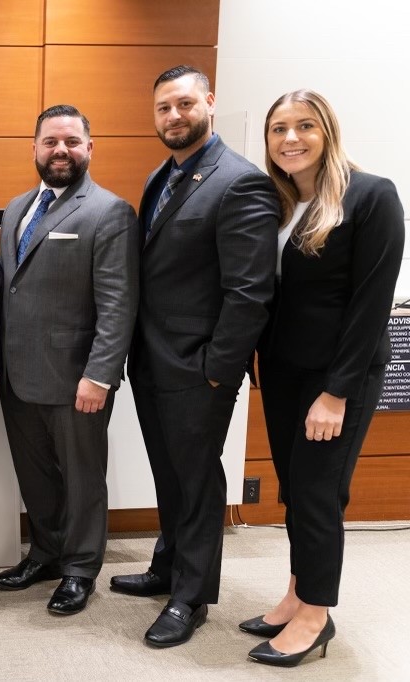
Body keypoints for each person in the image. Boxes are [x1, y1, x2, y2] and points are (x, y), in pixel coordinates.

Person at [111, 65, 278, 647]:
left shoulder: (240, 182)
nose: (173, 116)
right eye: (163, 108)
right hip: (154, 360)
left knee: (198, 480)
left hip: (199, 369)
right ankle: (167, 564)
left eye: (184, 104)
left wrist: (217, 371)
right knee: (170, 474)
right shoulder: (165, 173)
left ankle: (191, 596)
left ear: (208, 101)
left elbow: (250, 292)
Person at [241, 90, 404, 667]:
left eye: (304, 126)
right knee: (296, 489)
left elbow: (371, 304)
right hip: (285, 372)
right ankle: (296, 592)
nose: (291, 138)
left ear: (327, 131)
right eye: (278, 128)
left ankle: (315, 615)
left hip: (338, 378)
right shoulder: (281, 201)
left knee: (315, 493)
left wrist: (335, 393)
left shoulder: (371, 196)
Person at [0, 105, 139, 615]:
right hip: (17, 376)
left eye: (71, 142)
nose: (60, 150)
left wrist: (100, 374)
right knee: (35, 476)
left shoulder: (109, 211)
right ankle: (47, 552)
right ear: (33, 148)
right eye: (50, 141)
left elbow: (118, 303)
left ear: (89, 149)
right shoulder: (15, 209)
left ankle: (79, 569)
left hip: (77, 378)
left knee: (81, 478)